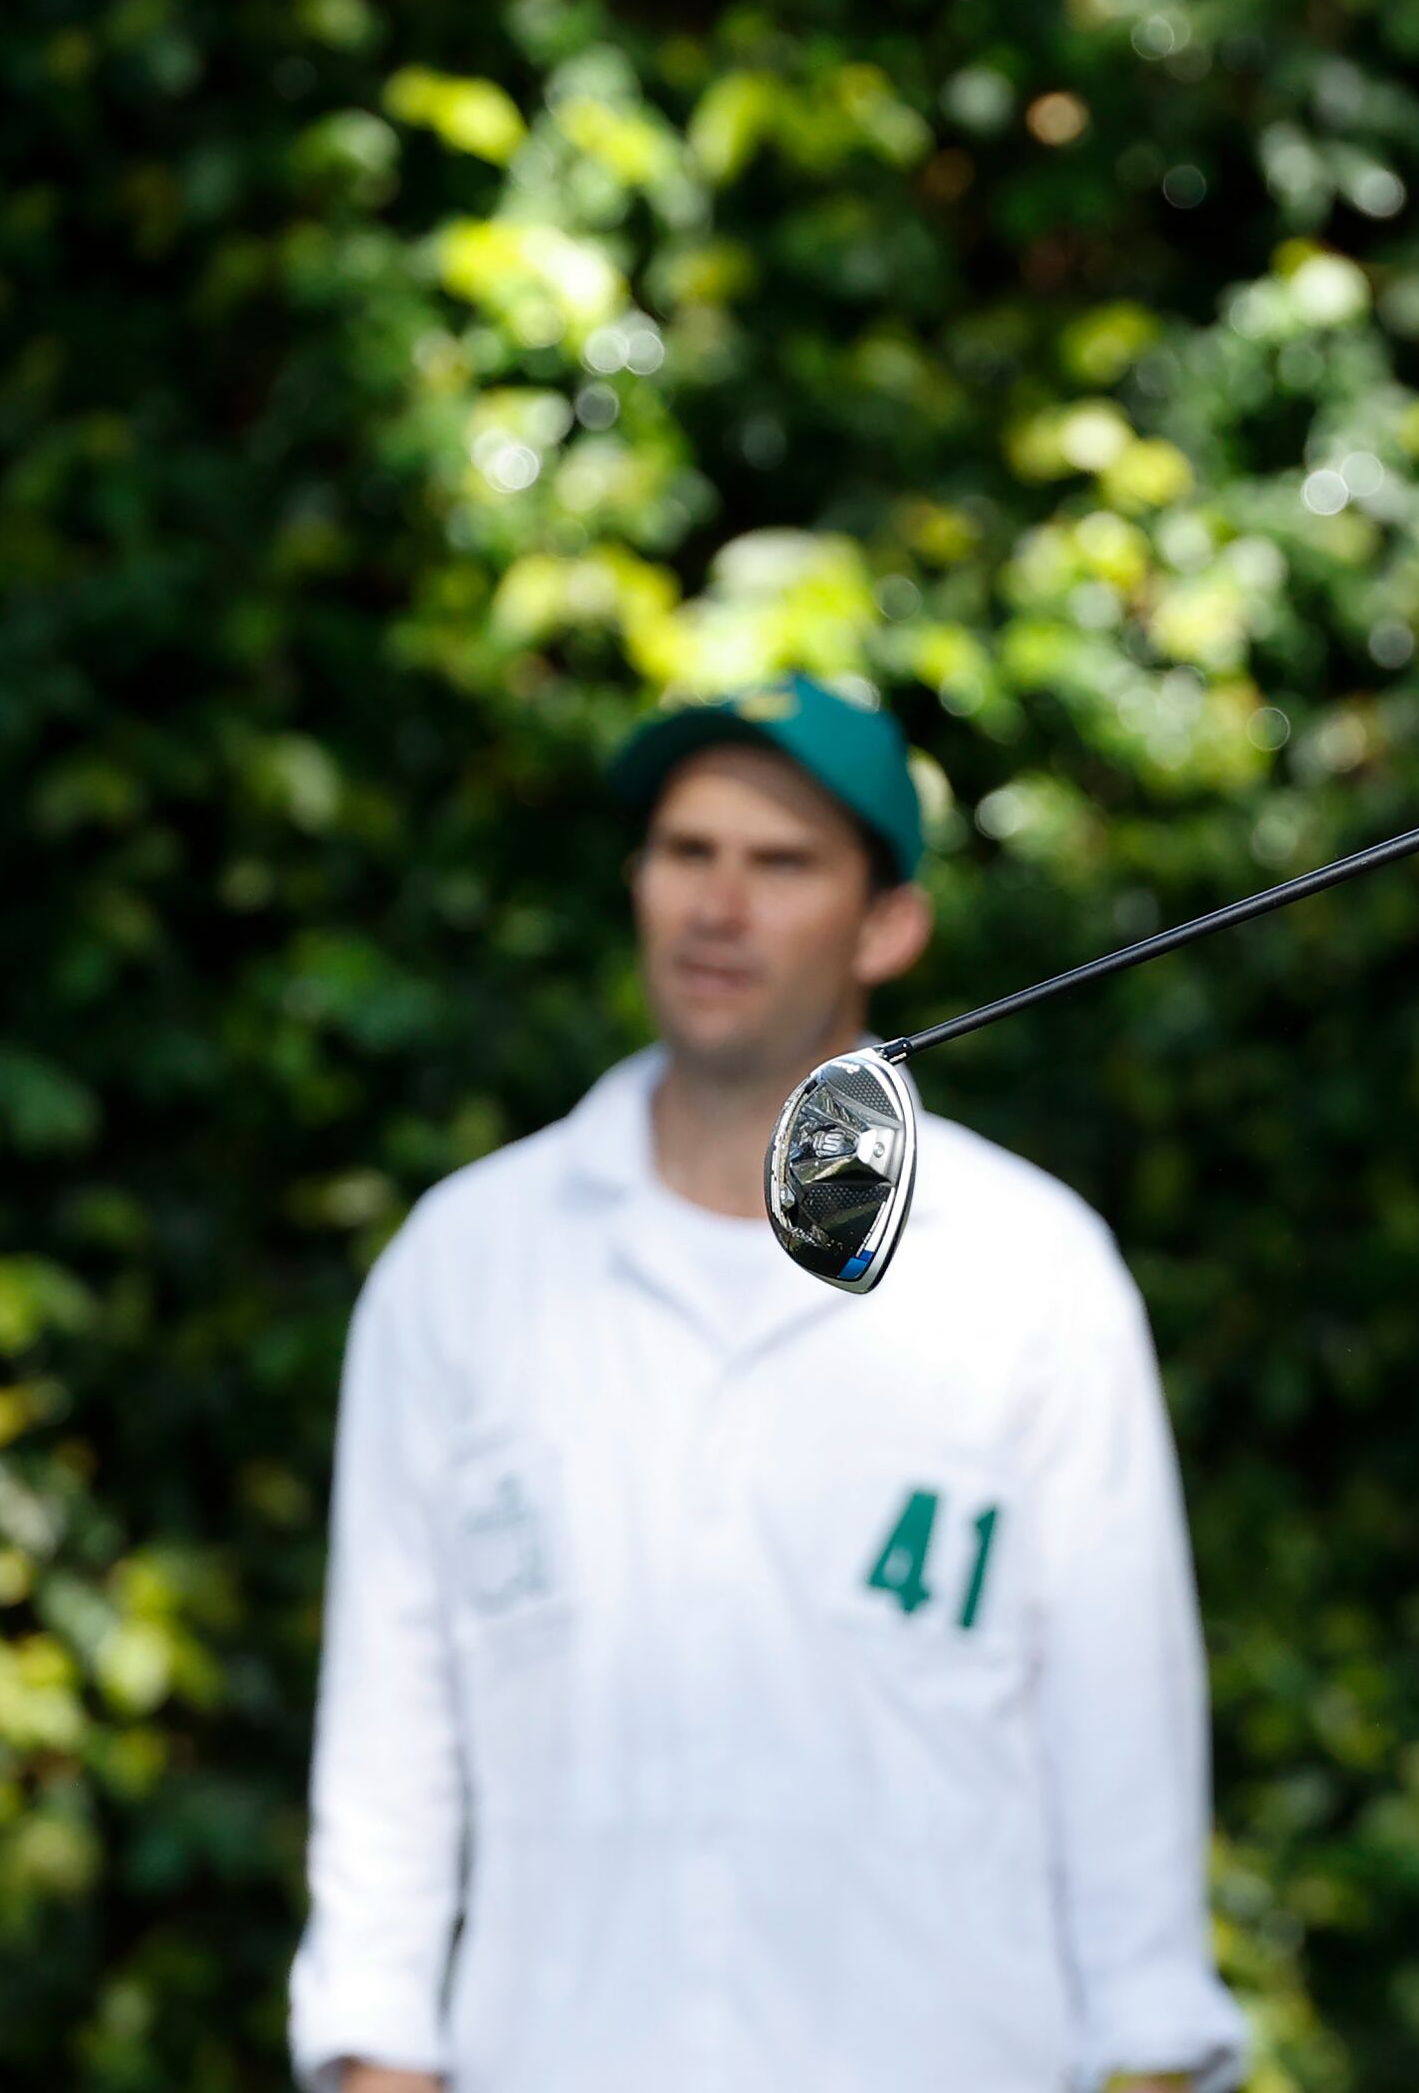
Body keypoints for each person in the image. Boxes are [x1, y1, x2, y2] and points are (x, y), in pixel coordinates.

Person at [286, 677, 1245, 2093]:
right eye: (688, 853)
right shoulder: (464, 1266)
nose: (717, 905)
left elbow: (1128, 1775)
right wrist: (375, 2058)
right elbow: (387, 1756)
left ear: (889, 925)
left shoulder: (1035, 1276)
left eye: (782, 863)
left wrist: (1156, 2061)